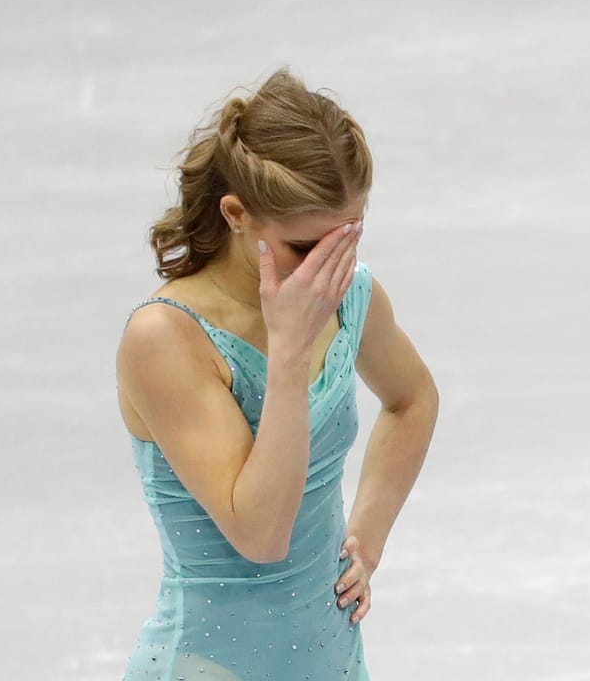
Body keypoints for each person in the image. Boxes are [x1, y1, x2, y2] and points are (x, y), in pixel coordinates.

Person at [116, 69, 438, 680]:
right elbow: (261, 534)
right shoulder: (166, 338)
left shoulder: (350, 298)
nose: (330, 268)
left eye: (346, 239)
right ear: (237, 214)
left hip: (332, 659)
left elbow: (412, 398)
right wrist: (288, 353)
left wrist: (365, 539)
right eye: (304, 246)